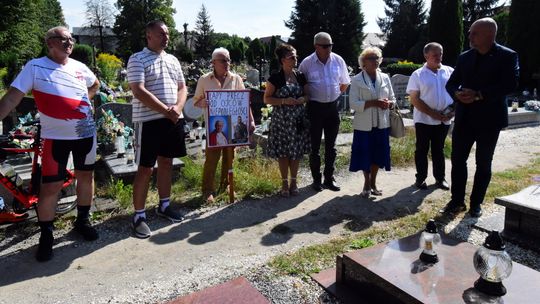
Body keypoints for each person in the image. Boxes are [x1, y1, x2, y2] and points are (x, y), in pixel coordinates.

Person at [0, 26, 100, 261]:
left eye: (71, 39)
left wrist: (85, 101)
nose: (69, 43)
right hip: (56, 138)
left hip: (86, 135)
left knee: (86, 177)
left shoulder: (79, 67)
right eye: (63, 39)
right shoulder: (35, 66)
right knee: (50, 187)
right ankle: (47, 234)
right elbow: (13, 97)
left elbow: (94, 84)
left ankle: (83, 221)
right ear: (50, 43)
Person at [441, 18, 519, 218]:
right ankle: (457, 200)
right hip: (465, 118)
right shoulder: (464, 57)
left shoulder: (507, 56)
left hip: (489, 119)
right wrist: (457, 94)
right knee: (458, 160)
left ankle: (476, 203)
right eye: (470, 32)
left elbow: (510, 84)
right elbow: (452, 83)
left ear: (489, 35)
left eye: (474, 33)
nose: (469, 36)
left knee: (483, 163)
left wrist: (479, 94)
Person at [127, 20, 187, 238]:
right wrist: (166, 110)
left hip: (172, 120)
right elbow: (138, 91)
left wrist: (178, 108)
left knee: (167, 163)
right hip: (150, 121)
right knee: (145, 167)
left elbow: (182, 87)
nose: (166, 37)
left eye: (168, 34)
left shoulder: (172, 59)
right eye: (161, 33)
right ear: (149, 35)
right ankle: (139, 215)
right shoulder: (137, 58)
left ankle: (164, 205)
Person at [194, 47, 255, 203]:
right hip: (214, 125)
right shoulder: (204, 80)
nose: (227, 63)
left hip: (232, 126)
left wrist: (251, 120)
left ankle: (226, 185)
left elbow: (243, 102)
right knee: (211, 159)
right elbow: (195, 102)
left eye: (228, 59)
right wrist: (204, 102)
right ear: (213, 62)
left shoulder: (236, 79)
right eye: (223, 60)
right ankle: (207, 190)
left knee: (229, 158)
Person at [299, 32, 350, 192]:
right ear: (316, 46)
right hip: (314, 108)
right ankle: (316, 180)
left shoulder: (338, 60)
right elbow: (301, 86)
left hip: (332, 108)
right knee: (314, 146)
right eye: (325, 46)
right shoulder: (307, 63)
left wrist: (333, 95)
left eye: (330, 45)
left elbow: (344, 83)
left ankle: (329, 178)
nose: (329, 49)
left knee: (331, 146)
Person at [264, 44, 310, 197]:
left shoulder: (301, 76)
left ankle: (294, 182)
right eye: (292, 57)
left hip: (297, 120)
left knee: (296, 152)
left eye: (296, 56)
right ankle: (284, 182)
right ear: (283, 60)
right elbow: (267, 99)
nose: (296, 59)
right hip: (282, 121)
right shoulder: (275, 78)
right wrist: (284, 101)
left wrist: (303, 98)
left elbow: (308, 95)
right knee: (283, 152)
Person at [406, 42, 454, 191]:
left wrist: (452, 111)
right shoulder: (418, 74)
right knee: (422, 149)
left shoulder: (450, 71)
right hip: (424, 120)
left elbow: (457, 93)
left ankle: (440, 178)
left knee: (438, 149)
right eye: (435, 55)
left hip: (445, 119)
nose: (439, 57)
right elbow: (414, 99)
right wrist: (433, 114)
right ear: (426, 56)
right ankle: (420, 179)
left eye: (440, 54)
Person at [348, 47, 396, 198]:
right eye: (371, 58)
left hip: (381, 123)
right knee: (365, 154)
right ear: (363, 62)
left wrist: (389, 103)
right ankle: (366, 183)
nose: (375, 61)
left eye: (377, 58)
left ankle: (373, 182)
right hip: (364, 125)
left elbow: (393, 98)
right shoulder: (356, 80)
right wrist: (374, 102)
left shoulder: (385, 77)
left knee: (378, 154)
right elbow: (353, 104)